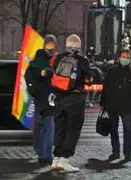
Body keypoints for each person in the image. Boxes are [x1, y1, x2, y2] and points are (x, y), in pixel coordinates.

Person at [51, 43, 92, 172]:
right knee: (73, 130)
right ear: (79, 47)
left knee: (60, 129)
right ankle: (65, 159)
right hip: (75, 98)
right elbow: (89, 79)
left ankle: (56, 159)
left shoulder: (58, 58)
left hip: (59, 98)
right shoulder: (82, 61)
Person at [100, 50, 131, 162]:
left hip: (126, 106)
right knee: (114, 129)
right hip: (112, 105)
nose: (125, 59)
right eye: (123, 56)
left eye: (127, 57)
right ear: (119, 58)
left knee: (128, 129)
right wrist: (103, 104)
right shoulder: (111, 71)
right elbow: (105, 88)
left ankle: (127, 153)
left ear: (130, 59)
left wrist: (130, 100)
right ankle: (115, 152)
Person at [26, 34, 57, 165]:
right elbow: (29, 76)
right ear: (44, 45)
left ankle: (46, 155)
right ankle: (41, 153)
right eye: (48, 45)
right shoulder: (37, 61)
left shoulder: (56, 60)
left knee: (48, 128)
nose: (50, 48)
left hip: (52, 100)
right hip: (40, 99)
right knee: (40, 128)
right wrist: (40, 77)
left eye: (53, 45)